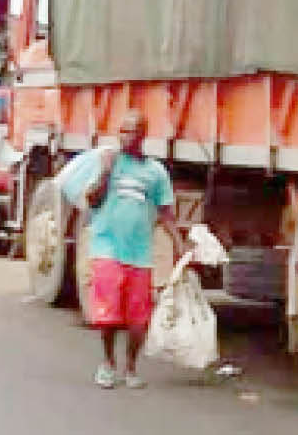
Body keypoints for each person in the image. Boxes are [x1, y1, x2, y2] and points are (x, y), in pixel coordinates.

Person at [60, 112, 184, 390]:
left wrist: (179, 245)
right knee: (108, 313)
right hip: (107, 247)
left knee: (138, 319)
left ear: (143, 135)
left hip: (140, 252)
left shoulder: (155, 172)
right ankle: (107, 363)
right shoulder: (107, 162)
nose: (127, 137)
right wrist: (105, 172)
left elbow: (166, 212)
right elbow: (92, 201)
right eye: (123, 131)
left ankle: (130, 366)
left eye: (134, 132)